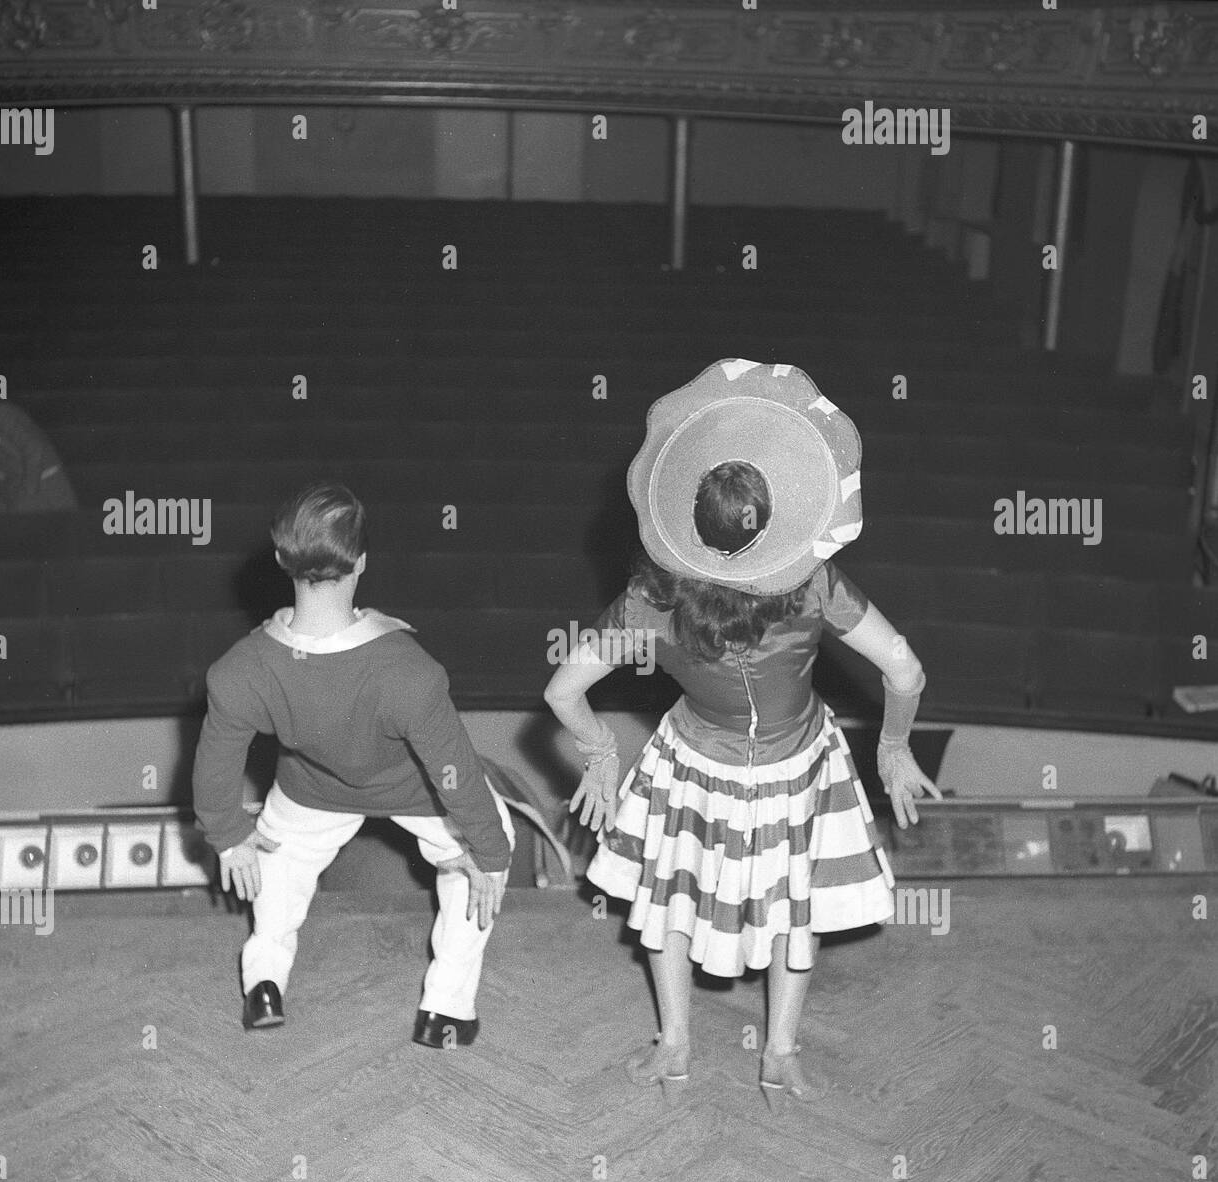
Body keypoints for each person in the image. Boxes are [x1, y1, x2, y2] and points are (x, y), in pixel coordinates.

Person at [545, 359, 941, 1111]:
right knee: (797, 911)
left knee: (668, 907)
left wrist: (599, 752)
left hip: (692, 762)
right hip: (798, 766)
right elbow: (906, 670)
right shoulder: (815, 585)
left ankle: (675, 1046)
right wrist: (891, 747)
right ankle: (779, 1055)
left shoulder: (647, 597)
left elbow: (562, 690)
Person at [192, 482, 513, 1041]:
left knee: (278, 861)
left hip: (308, 793)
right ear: (360, 560)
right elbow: (454, 772)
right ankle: (446, 1010)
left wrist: (228, 835)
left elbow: (215, 762)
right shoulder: (409, 670)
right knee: (480, 858)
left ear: (279, 559)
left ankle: (264, 981)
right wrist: (488, 852)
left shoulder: (241, 667)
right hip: (415, 795)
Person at [0, 385, 77, 512]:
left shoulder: (2, 412)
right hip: (16, 492)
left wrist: (28, 492)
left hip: (44, 489)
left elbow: (35, 449)